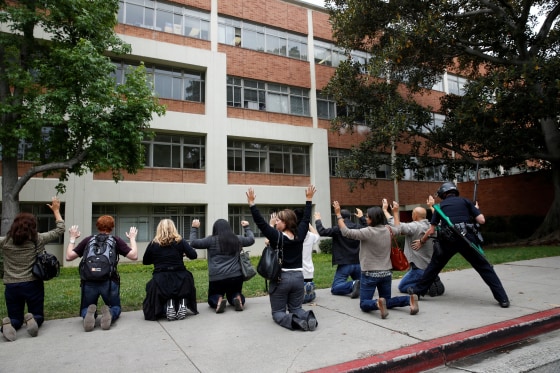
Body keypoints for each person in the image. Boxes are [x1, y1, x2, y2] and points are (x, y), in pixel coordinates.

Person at [407, 182, 510, 308]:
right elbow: (481, 220)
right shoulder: (466, 202)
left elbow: (431, 230)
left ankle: (417, 292)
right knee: (485, 268)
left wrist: (422, 241)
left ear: (443, 194)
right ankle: (503, 298)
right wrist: (475, 209)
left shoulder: (440, 207)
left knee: (434, 267)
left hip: (448, 241)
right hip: (467, 240)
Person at [246, 185, 318, 331]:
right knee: (297, 308)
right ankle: (308, 317)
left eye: (278, 220)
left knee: (278, 313)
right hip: (299, 278)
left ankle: (295, 322)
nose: (275, 222)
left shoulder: (276, 237)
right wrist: (309, 200)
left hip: (282, 279)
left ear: (286, 223)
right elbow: (305, 219)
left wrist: (252, 204)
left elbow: (260, 223)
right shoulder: (301, 235)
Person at [333, 200, 419, 319]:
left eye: (367, 217)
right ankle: (408, 299)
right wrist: (395, 212)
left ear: (372, 219)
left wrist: (338, 214)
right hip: (386, 273)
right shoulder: (388, 229)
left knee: (364, 304)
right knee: (387, 300)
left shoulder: (367, 232)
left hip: (370, 274)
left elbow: (346, 232)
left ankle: (377, 303)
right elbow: (399, 229)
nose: (366, 218)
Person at [0, 197, 65, 341]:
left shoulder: (5, 242)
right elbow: (60, 229)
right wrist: (56, 210)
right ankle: (33, 319)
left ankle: (10, 323)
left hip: (11, 284)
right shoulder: (38, 239)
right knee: (38, 313)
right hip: (32, 283)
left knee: (15, 316)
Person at [66, 216, 138, 331]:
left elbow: (69, 257)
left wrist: (72, 238)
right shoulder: (115, 240)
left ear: (97, 226)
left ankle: (88, 315)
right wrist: (132, 238)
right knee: (115, 306)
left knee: (86, 307)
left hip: (89, 281)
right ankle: (110, 313)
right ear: (112, 227)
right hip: (109, 281)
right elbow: (134, 256)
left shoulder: (88, 240)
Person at [189, 218, 255, 313]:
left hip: (217, 277)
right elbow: (251, 240)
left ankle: (218, 300)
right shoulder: (237, 239)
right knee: (234, 292)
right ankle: (238, 298)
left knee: (213, 295)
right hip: (236, 276)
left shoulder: (210, 240)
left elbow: (193, 242)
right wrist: (247, 227)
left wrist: (194, 228)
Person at [382, 198, 444, 296]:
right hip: (431, 265)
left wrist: (387, 211)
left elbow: (397, 227)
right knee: (415, 274)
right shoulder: (433, 227)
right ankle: (431, 278)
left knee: (402, 287)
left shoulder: (414, 227)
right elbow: (440, 219)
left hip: (418, 266)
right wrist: (431, 207)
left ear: (414, 215)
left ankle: (424, 286)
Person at [142, 219, 198, 321]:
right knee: (187, 280)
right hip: (181, 277)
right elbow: (194, 255)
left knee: (159, 289)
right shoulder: (180, 241)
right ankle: (182, 302)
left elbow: (145, 261)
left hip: (161, 278)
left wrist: (157, 258)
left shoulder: (153, 244)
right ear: (173, 228)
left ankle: (168, 305)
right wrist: (182, 253)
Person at [314, 208, 362, 298]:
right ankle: (362, 285)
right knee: (364, 284)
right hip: (358, 262)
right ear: (350, 217)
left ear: (339, 218)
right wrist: (362, 218)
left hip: (345, 263)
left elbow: (322, 231)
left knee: (335, 288)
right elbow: (369, 227)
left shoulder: (338, 229)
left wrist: (318, 220)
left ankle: (353, 284)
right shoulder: (358, 227)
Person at [294, 208, 320, 303]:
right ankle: (307, 292)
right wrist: (307, 224)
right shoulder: (310, 236)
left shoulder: (292, 234)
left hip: (295, 271)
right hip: (308, 271)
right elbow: (317, 236)